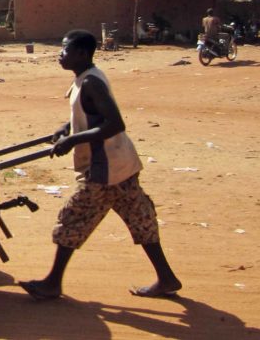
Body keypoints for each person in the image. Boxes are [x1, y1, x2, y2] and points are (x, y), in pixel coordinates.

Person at [18, 29, 181, 300]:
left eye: (65, 50)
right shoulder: (84, 79)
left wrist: (73, 141)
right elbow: (89, 115)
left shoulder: (91, 82)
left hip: (103, 169)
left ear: (81, 54)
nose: (60, 54)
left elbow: (115, 123)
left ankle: (52, 283)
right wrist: (65, 129)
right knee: (140, 218)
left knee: (73, 219)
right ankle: (166, 278)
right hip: (122, 164)